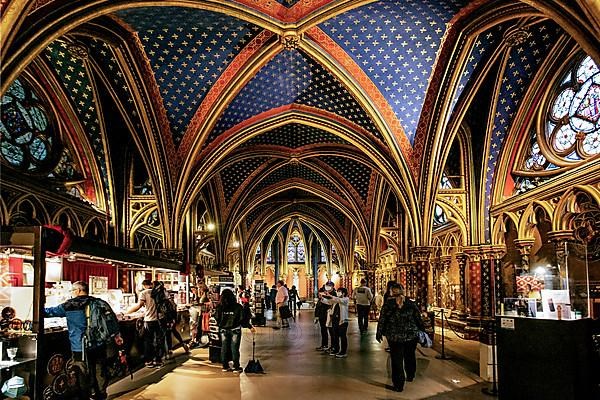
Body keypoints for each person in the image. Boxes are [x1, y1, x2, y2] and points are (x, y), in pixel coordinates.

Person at [44, 281, 115, 400]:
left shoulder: (69, 305)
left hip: (79, 345)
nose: (72, 293)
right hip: (98, 343)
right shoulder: (99, 303)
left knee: (82, 372)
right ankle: (100, 394)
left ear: (78, 290)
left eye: (72, 290)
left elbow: (49, 312)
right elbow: (112, 320)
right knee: (99, 368)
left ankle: (85, 395)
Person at [376, 282, 424, 393]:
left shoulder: (388, 304)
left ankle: (398, 384)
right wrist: (422, 330)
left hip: (394, 336)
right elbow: (418, 318)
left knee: (396, 359)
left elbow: (382, 319)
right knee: (410, 355)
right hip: (410, 336)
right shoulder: (411, 303)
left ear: (391, 292)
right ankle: (411, 374)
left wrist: (379, 333)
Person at [215, 288, 255, 372]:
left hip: (223, 330)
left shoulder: (219, 307)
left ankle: (225, 366)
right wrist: (249, 326)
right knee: (235, 348)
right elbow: (242, 319)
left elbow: (217, 318)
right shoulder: (238, 307)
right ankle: (236, 367)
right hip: (235, 330)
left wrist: (221, 324)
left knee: (224, 347)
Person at [127, 279, 164, 368]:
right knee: (159, 340)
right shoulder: (159, 292)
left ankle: (149, 360)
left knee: (148, 341)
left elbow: (139, 305)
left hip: (149, 320)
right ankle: (158, 360)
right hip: (160, 320)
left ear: (144, 285)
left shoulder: (144, 293)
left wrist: (128, 312)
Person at [322, 287, 350, 358]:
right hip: (335, 320)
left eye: (339, 291)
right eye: (337, 291)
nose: (338, 293)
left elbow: (338, 300)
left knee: (342, 336)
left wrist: (330, 295)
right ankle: (336, 349)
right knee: (335, 336)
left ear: (343, 293)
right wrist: (322, 298)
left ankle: (343, 351)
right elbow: (329, 301)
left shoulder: (345, 299)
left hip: (343, 321)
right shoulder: (336, 300)